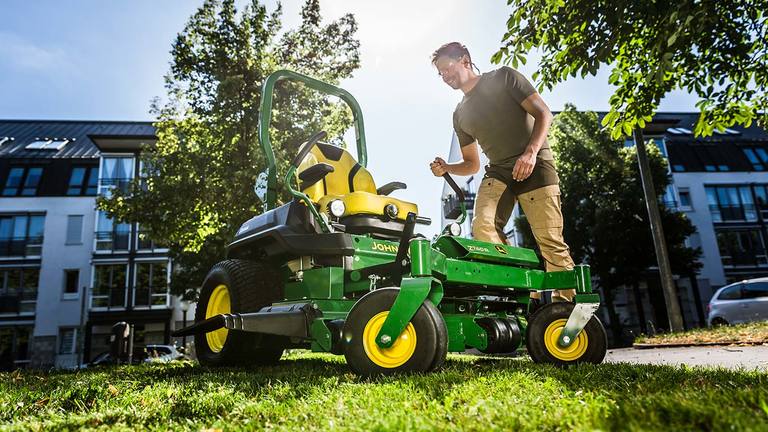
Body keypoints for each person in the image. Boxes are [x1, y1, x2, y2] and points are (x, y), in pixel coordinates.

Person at [429, 42, 575, 303]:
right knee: (482, 226)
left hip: (537, 165)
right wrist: (448, 168)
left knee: (551, 241)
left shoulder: (504, 77)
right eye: (440, 74)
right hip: (499, 172)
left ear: (465, 60)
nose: (445, 76)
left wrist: (530, 153)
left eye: (447, 68)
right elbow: (472, 164)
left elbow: (544, 114)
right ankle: (522, 288)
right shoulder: (460, 114)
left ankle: (564, 312)